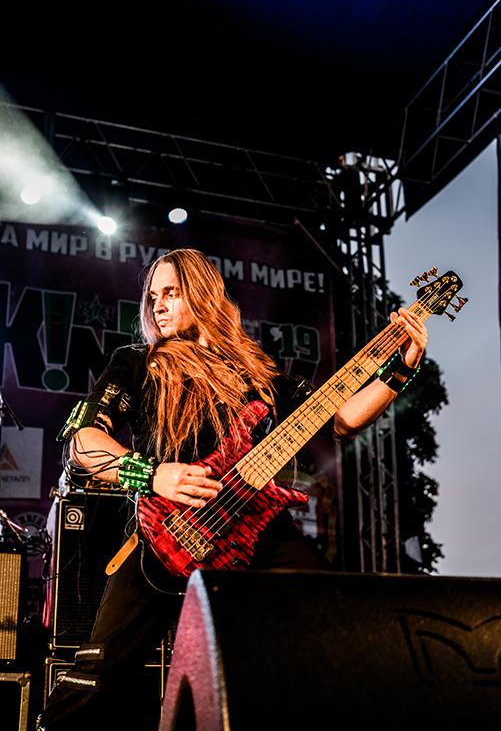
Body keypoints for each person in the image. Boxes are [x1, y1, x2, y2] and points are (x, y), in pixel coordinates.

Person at [38, 248, 427, 730]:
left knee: (325, 623)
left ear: (202, 294)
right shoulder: (138, 363)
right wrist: (151, 474)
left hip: (254, 527)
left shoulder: (257, 372)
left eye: (171, 293)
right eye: (153, 297)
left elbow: (342, 419)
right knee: (96, 680)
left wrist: (400, 370)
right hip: (168, 533)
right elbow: (84, 443)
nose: (158, 306)